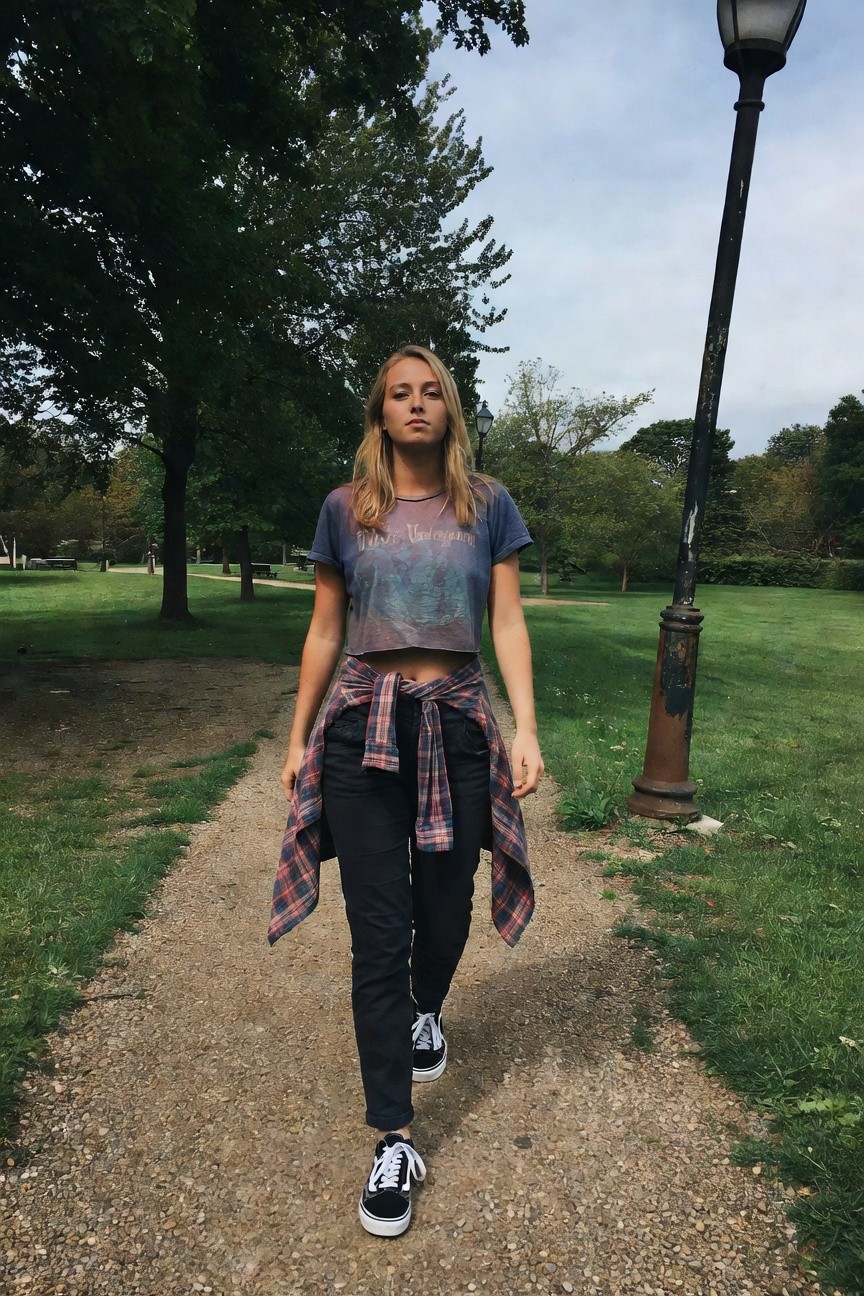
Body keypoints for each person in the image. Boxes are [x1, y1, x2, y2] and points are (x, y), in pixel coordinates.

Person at [268, 344, 543, 1238]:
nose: (416, 404)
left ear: (449, 409)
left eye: (430, 393)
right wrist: (299, 737)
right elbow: (325, 628)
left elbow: (506, 619)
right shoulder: (344, 509)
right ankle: (393, 1135)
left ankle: (429, 1010)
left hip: (457, 726)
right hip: (364, 734)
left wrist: (525, 727)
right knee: (378, 936)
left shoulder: (488, 504)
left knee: (446, 910)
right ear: (380, 412)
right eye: (399, 393)